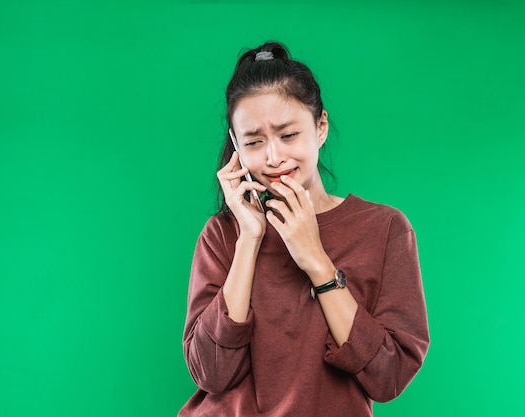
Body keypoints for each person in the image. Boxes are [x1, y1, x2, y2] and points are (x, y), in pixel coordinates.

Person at [178, 41, 429, 417]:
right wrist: (249, 238)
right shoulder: (223, 235)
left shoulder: (385, 229)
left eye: (288, 135)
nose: (274, 157)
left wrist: (316, 261)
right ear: (235, 147)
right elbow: (212, 374)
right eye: (253, 142)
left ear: (321, 127)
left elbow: (388, 377)